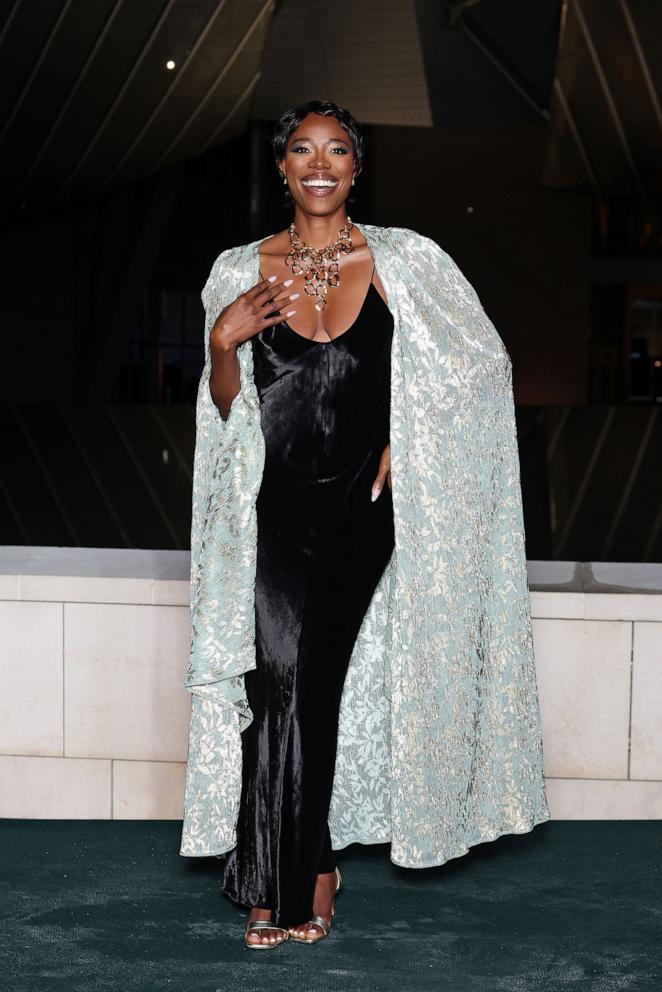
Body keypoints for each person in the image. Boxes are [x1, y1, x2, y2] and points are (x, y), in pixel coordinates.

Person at [180, 101, 550, 949]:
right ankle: (300, 871)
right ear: (280, 167)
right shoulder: (240, 267)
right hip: (269, 510)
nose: (319, 164)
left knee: (304, 680)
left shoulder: (405, 260)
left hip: (362, 508)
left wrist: (408, 438)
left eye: (337, 150)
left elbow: (482, 370)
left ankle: (279, 876)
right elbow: (226, 418)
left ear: (356, 167)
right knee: (280, 684)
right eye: (302, 151)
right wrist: (222, 347)